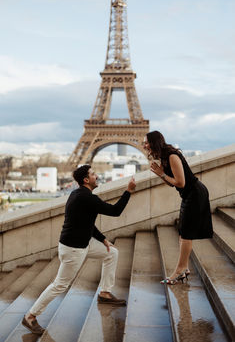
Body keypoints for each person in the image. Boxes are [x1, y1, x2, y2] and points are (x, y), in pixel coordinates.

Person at [22, 165, 136, 335]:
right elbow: (115, 211)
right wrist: (128, 191)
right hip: (73, 249)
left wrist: (103, 239)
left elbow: (87, 222)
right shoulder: (87, 198)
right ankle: (30, 316)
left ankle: (104, 292)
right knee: (59, 285)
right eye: (93, 174)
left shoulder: (79, 195)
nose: (96, 176)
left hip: (81, 243)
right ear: (86, 180)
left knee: (112, 253)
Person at [143, 131, 213, 285]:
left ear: (154, 142)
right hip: (188, 194)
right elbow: (171, 182)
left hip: (195, 194)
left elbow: (181, 183)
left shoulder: (172, 156)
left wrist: (162, 173)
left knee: (186, 233)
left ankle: (180, 269)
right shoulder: (164, 156)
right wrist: (160, 174)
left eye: (146, 142)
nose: (144, 145)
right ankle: (184, 268)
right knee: (183, 231)